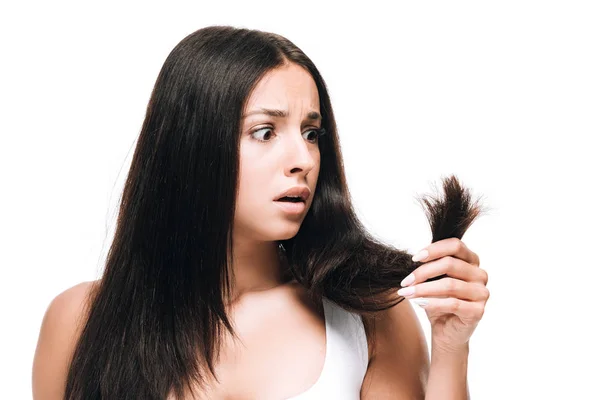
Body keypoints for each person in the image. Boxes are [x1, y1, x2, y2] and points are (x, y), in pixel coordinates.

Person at [32, 25, 490, 399]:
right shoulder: (79, 321)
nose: (304, 160)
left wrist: (452, 348)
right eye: (265, 132)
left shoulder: (367, 314)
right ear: (192, 147)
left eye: (312, 133)